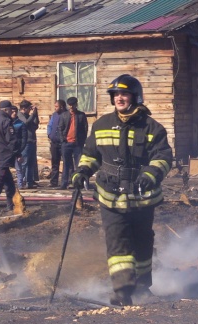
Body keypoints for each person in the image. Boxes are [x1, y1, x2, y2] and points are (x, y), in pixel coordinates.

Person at [71, 74, 173, 306]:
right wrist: (82, 172)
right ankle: (122, 291)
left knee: (143, 241)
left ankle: (142, 287)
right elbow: (90, 155)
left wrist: (151, 174)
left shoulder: (152, 127)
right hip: (111, 196)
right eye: (115, 94)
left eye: (124, 94)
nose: (119, 98)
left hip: (142, 197)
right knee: (118, 242)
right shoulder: (101, 124)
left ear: (135, 96)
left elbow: (163, 156)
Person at [58, 96, 88, 189]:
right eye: (69, 105)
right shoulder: (64, 115)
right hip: (66, 143)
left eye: (72, 105)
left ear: (76, 105)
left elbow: (85, 129)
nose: (71, 107)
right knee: (66, 164)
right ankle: (64, 183)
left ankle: (78, 183)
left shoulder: (81, 115)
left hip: (77, 144)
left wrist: (82, 141)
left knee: (79, 164)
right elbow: (60, 128)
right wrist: (63, 139)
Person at [17, 99, 40, 188]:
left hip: (32, 141)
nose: (30, 110)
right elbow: (25, 123)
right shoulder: (20, 115)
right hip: (25, 143)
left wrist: (36, 114)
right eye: (29, 108)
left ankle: (29, 182)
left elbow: (36, 124)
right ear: (24, 108)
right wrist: (33, 115)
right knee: (24, 163)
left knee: (31, 163)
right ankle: (21, 182)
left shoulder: (28, 116)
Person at [47, 99, 66, 187]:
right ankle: (54, 182)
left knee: (66, 163)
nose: (55, 108)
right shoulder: (54, 115)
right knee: (55, 163)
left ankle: (66, 181)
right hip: (54, 142)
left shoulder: (67, 114)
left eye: (56, 106)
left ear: (61, 106)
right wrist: (49, 134)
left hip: (63, 143)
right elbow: (50, 125)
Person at [12, 105, 28, 189]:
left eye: (15, 112)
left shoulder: (20, 123)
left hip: (18, 149)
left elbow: (24, 138)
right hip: (8, 149)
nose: (14, 113)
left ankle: (20, 184)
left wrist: (20, 150)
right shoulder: (6, 122)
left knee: (19, 168)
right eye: (12, 111)